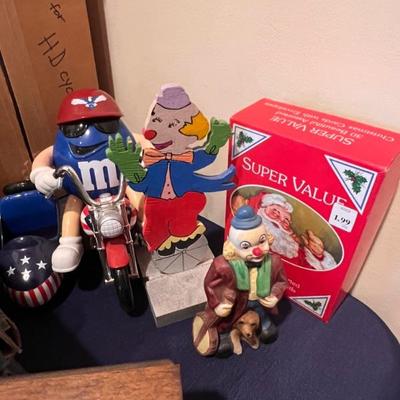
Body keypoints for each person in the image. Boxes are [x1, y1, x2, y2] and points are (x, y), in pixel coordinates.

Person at [194, 205, 288, 357]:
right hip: (236, 302)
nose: (257, 250)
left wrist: (275, 295)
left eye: (261, 241)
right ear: (232, 246)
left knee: (262, 316)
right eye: (246, 246)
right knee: (227, 319)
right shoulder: (222, 266)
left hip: (260, 300)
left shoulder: (274, 262)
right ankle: (224, 334)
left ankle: (264, 324)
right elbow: (210, 285)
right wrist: (217, 304)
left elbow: (281, 282)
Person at [257, 193, 302, 262]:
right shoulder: (261, 219)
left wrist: (289, 232)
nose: (277, 214)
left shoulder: (287, 238)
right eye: (275, 210)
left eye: (286, 220)